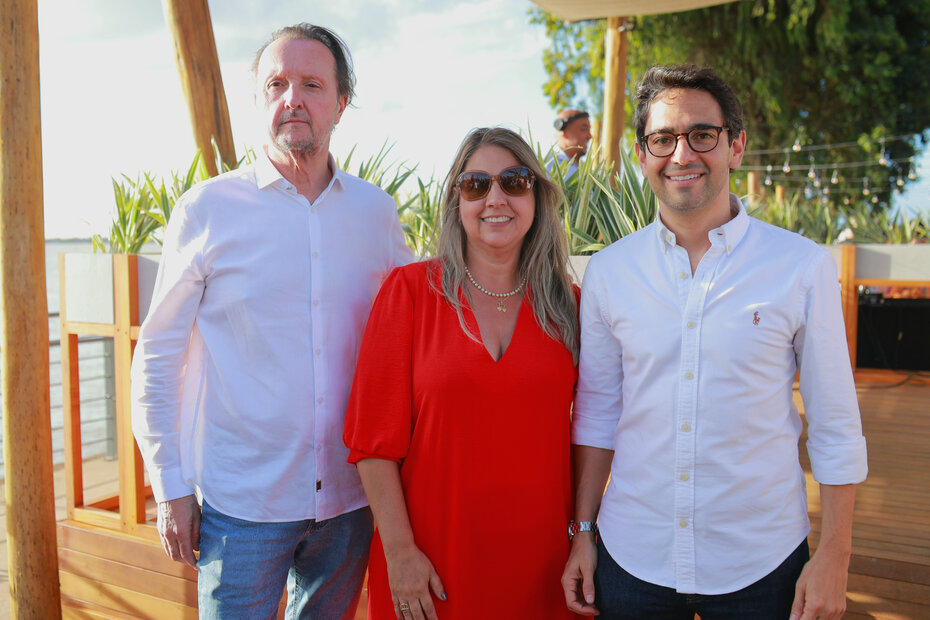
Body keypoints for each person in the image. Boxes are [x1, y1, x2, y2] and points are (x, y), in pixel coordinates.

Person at [561, 65, 868, 620]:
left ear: (736, 146)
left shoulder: (800, 267)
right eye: (663, 138)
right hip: (633, 556)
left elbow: (836, 424)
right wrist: (583, 532)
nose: (682, 155)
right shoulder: (609, 273)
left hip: (763, 562)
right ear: (641, 153)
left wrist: (835, 557)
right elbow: (599, 414)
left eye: (702, 134)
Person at [130, 23, 412, 618]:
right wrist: (169, 486)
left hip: (348, 500)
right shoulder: (206, 210)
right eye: (277, 84)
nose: (293, 99)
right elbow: (157, 357)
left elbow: (409, 338)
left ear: (341, 103)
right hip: (242, 508)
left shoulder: (376, 214)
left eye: (312, 84)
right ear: (258, 100)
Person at [343, 127, 579, 619]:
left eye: (514, 182)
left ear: (537, 195)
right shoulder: (408, 292)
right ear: (457, 200)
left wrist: (584, 539)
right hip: (431, 572)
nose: (496, 198)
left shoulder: (568, 307)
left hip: (544, 571)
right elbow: (373, 445)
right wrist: (399, 553)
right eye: (476, 185)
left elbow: (593, 434)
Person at [548, 109, 593, 180]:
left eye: (589, 130)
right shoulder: (548, 166)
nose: (590, 136)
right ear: (565, 132)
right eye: (584, 129)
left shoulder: (586, 171)